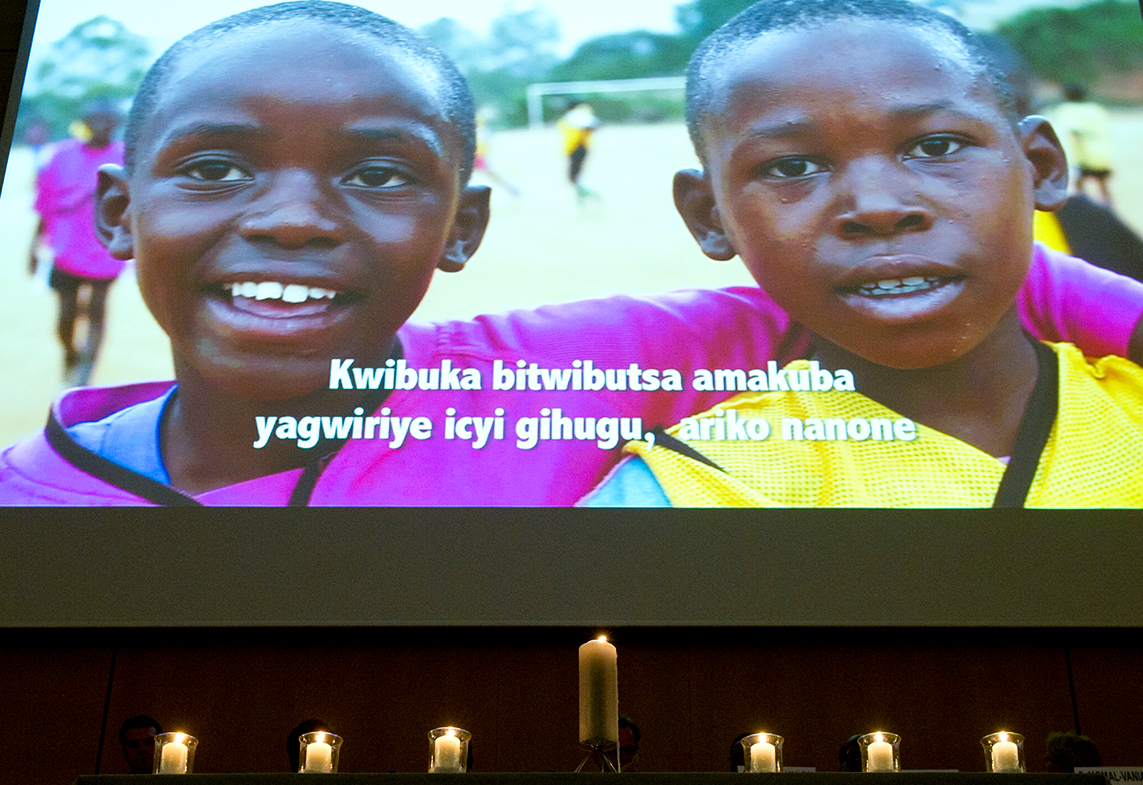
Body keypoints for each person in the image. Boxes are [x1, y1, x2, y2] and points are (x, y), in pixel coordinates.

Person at [2, 1, 1143, 506]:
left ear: (464, 228)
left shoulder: (563, 373)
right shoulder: (28, 499)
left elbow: (975, 275)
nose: (294, 220)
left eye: (378, 171)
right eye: (215, 167)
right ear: (114, 212)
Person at [583, 0, 1143, 507]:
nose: (877, 208)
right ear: (710, 217)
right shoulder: (691, 492)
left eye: (937, 146)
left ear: (1040, 167)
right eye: (791, 167)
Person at [29, 101, 126, 386]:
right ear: (85, 121)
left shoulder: (126, 158)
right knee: (66, 315)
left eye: (107, 120)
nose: (101, 125)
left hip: (107, 248)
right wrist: (33, 248)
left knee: (97, 309)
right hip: (66, 250)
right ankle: (71, 354)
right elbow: (44, 203)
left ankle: (85, 373)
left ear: (115, 122)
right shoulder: (62, 156)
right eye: (94, 120)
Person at [1051, 84, 1114, 207]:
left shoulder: (1066, 110)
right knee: (1103, 187)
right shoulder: (1097, 109)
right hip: (1102, 155)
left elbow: (1071, 131)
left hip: (1082, 157)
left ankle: (1082, 212)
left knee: (1079, 188)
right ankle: (1110, 211)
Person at [558, 101, 600, 202]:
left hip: (577, 148)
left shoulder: (576, 116)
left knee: (572, 176)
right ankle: (582, 196)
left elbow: (592, 126)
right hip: (577, 148)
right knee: (574, 176)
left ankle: (588, 194)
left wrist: (581, 139)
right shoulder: (579, 115)